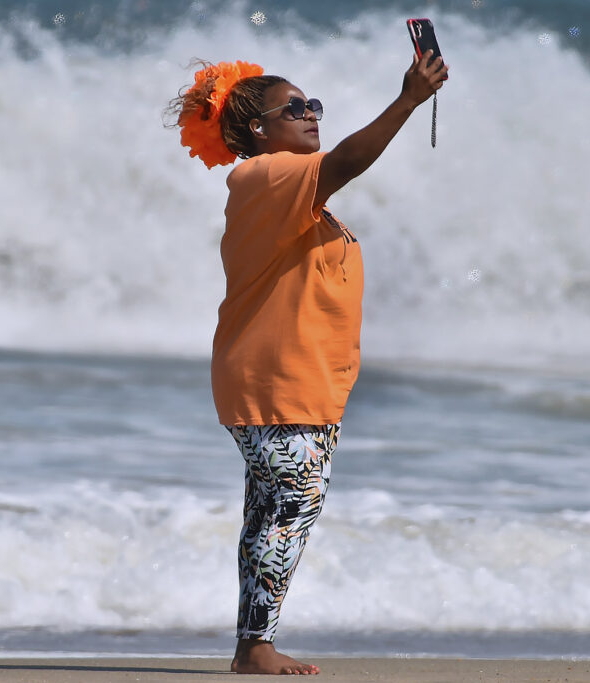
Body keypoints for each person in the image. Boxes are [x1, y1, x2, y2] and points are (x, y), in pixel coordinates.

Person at [167, 50, 448, 676]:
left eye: (314, 104)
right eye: (295, 108)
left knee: (271, 507)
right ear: (260, 131)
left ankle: (251, 643)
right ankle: (256, 646)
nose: (311, 115)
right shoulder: (264, 176)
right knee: (294, 500)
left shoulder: (291, 196)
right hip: (276, 381)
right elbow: (348, 161)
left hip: (299, 382)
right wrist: (408, 100)